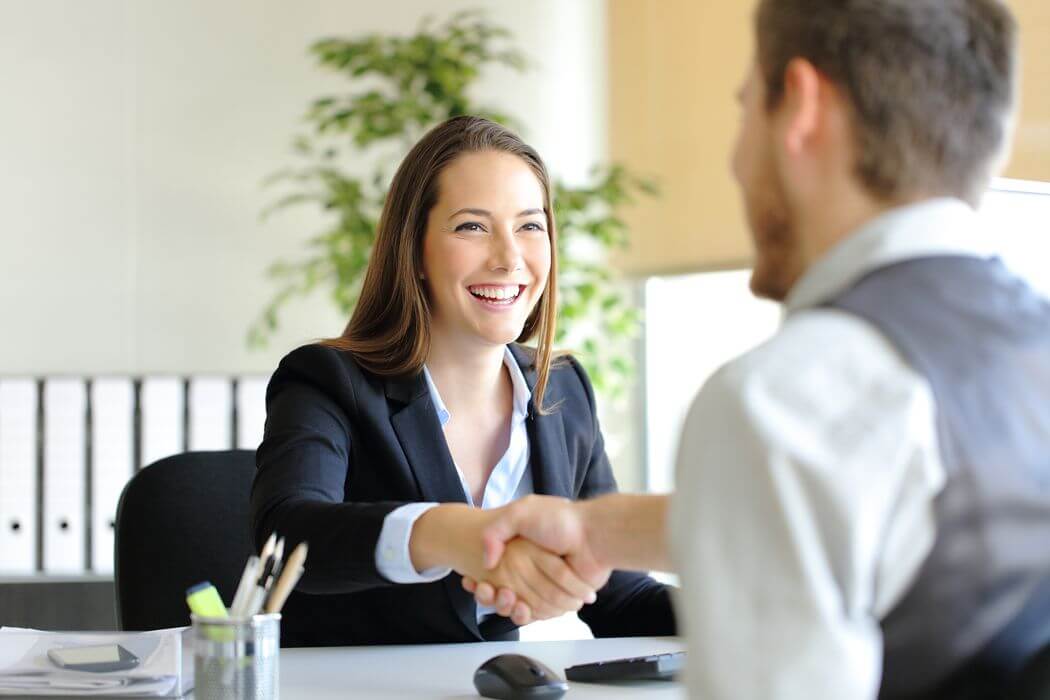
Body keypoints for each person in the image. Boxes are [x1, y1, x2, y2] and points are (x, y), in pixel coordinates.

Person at [467, 0, 1050, 697]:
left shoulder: (782, 401)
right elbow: (879, 519)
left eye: (746, 110)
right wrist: (598, 529)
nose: (736, 161)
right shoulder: (1023, 351)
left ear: (800, 109)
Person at [250, 115, 676, 647]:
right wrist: (457, 536)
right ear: (416, 251)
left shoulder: (561, 390)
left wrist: (753, 607)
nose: (509, 258)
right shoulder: (329, 382)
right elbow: (287, 537)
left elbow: (623, 598)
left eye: (530, 225)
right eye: (472, 226)